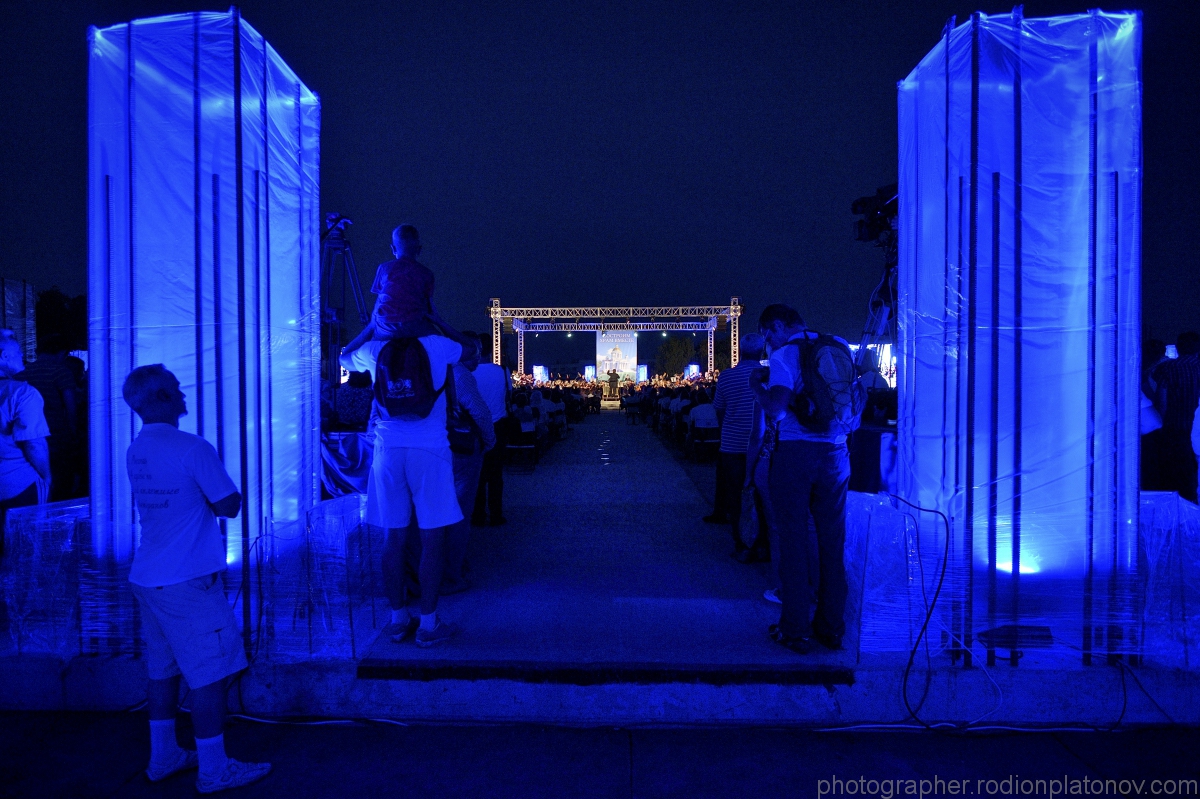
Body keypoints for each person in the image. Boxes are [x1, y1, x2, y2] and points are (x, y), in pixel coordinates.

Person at [121, 365, 270, 793]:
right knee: (210, 676)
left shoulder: (137, 449)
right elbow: (228, 506)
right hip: (188, 580)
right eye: (177, 390)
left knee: (162, 671)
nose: (184, 395)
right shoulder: (192, 447)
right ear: (162, 397)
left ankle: (164, 755)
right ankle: (214, 769)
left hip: (149, 576)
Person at [342, 327, 469, 646]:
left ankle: (398, 621)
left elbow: (344, 357)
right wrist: (437, 321)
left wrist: (371, 326)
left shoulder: (374, 350)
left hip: (387, 451)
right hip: (431, 452)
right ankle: (428, 624)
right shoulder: (438, 344)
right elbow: (472, 351)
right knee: (432, 539)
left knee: (392, 538)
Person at [752, 303, 850, 655]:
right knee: (832, 543)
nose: (767, 341)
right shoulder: (837, 345)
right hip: (837, 455)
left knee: (792, 541)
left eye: (767, 333)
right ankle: (831, 627)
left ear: (777, 326)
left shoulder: (784, 355)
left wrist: (757, 388)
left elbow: (776, 408)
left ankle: (795, 629)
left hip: (795, 454)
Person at [341, 225, 465, 356]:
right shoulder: (426, 273)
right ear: (419, 250)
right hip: (415, 326)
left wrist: (374, 325)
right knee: (441, 346)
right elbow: (429, 305)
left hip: (386, 326)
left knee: (366, 348)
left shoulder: (384, 268)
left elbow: (380, 301)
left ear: (393, 248)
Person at [442, 336, 495, 592]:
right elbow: (480, 412)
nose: (478, 359)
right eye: (475, 353)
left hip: (434, 449)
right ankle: (453, 574)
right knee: (459, 514)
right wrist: (489, 440)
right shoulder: (460, 375)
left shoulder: (435, 368)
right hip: (461, 450)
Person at [710, 334, 767, 560]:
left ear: (741, 351)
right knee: (763, 497)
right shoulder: (769, 376)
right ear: (762, 352)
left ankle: (741, 544)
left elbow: (719, 410)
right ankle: (762, 543)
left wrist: (729, 428)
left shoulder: (727, 377)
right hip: (763, 446)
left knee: (735, 496)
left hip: (732, 446)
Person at [0, 332, 50, 553]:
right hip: (17, 486)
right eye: (18, 352)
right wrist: (47, 477)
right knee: (24, 552)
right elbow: (34, 444)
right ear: (3, 356)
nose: (23, 356)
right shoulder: (23, 393)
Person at [20, 335, 79, 500]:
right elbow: (71, 408)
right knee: (61, 486)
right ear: (61, 353)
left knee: (39, 483)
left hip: (30, 437)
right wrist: (73, 434)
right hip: (58, 437)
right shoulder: (61, 371)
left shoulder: (22, 374)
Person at [1153, 331, 1200, 503]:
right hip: (1197, 429)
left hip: (1175, 428)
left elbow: (1162, 401)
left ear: (1178, 347)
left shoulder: (1168, 368)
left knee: (1176, 476)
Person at [472, 338, 510, 526]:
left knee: (477, 473)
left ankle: (477, 515)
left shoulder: (468, 371)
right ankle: (496, 514)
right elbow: (508, 395)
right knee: (496, 474)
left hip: (475, 426)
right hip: (498, 425)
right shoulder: (502, 371)